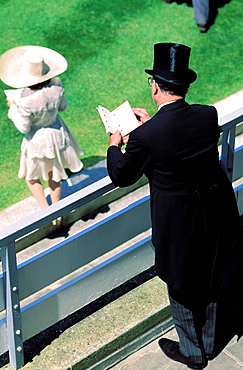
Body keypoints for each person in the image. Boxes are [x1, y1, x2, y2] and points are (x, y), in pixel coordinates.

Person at [107, 43, 243, 369]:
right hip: (216, 212)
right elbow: (175, 137)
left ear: (155, 86)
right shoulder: (206, 115)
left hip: (179, 223)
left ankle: (193, 352)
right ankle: (209, 341)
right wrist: (149, 125)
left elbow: (122, 175)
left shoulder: (146, 137)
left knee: (179, 285)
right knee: (211, 275)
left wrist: (115, 141)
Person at [0, 46, 84, 214]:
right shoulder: (57, 86)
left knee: (31, 177)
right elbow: (63, 107)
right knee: (55, 174)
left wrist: (13, 108)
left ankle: (46, 211)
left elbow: (24, 127)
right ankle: (56, 208)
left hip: (37, 141)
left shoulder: (24, 101)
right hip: (57, 133)